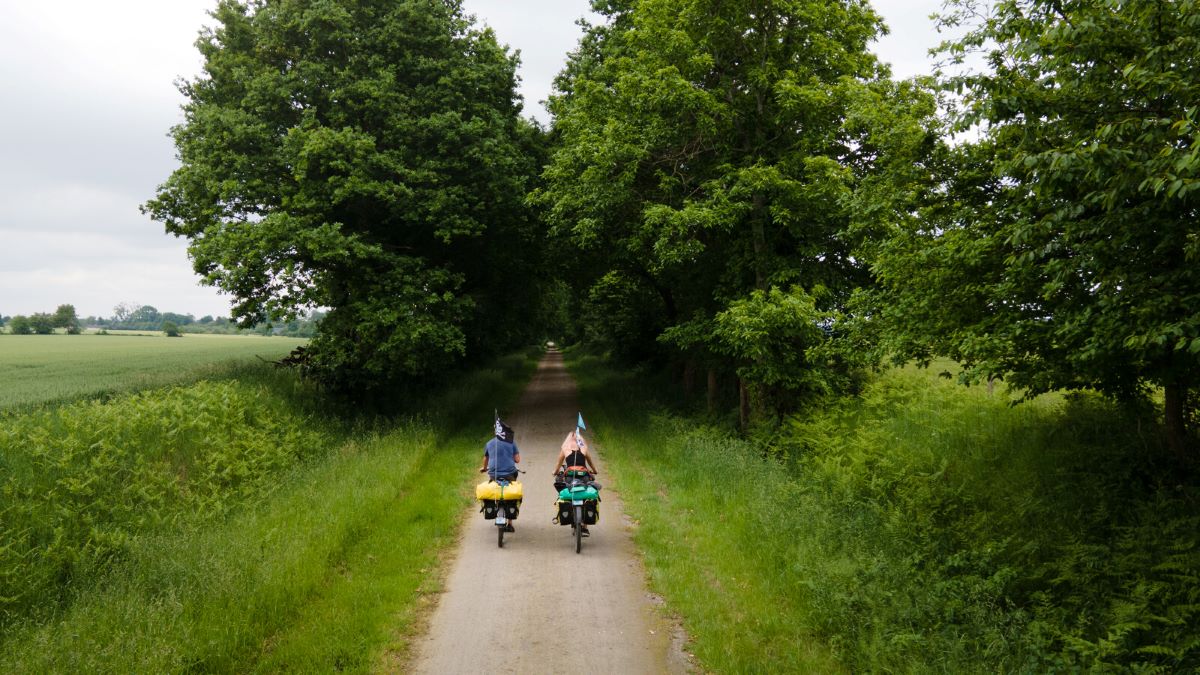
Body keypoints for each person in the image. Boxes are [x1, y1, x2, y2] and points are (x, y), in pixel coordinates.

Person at [552, 427, 599, 535]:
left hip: (570, 476)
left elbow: (558, 464)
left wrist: (555, 472)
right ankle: (585, 526)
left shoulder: (565, 447)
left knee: (568, 490)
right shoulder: (583, 448)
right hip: (584, 475)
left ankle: (569, 513)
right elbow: (590, 463)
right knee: (586, 493)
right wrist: (595, 471)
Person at [480, 421, 521, 531]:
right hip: (509, 474)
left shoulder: (489, 443)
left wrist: (484, 468)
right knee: (511, 494)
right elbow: (517, 460)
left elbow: (485, 459)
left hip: (494, 474)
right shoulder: (511, 442)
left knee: (495, 486)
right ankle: (510, 523)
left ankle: (495, 505)